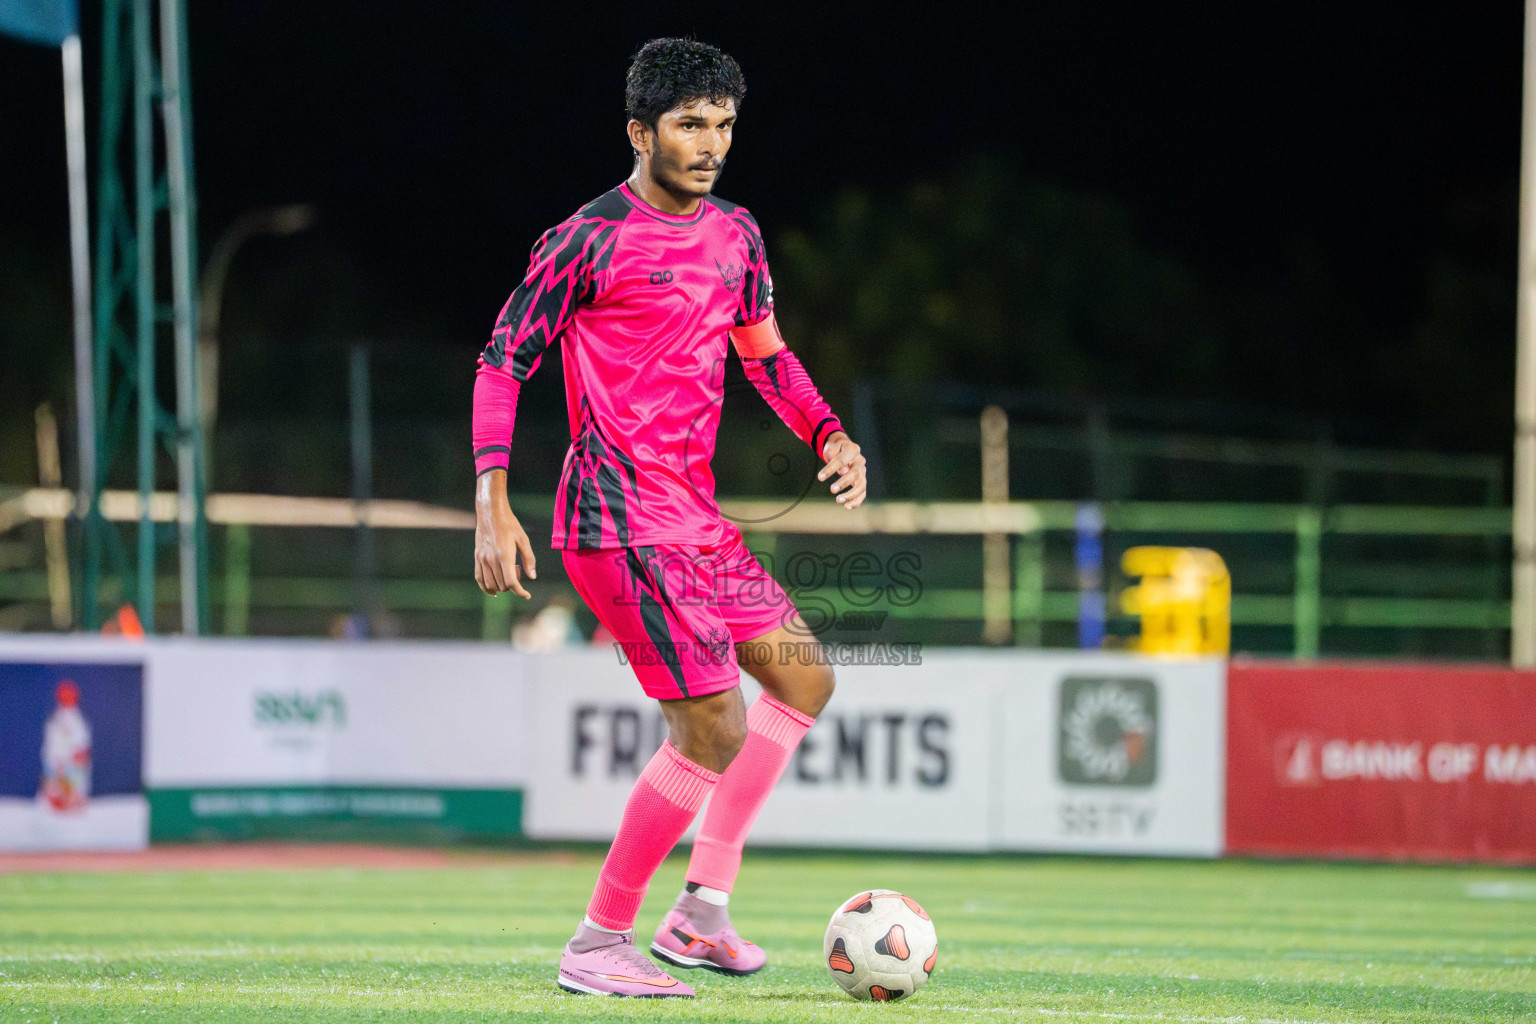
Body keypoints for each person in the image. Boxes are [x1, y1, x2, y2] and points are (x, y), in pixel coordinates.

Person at [471, 37, 867, 998]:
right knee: (711, 729)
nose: (711, 143)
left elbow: (766, 357)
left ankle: (699, 915)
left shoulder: (737, 235)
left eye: (724, 124)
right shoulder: (585, 239)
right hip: (615, 520)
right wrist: (491, 500)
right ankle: (599, 941)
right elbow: (502, 361)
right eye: (690, 123)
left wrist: (828, 433)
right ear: (641, 131)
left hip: (695, 519)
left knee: (805, 682)